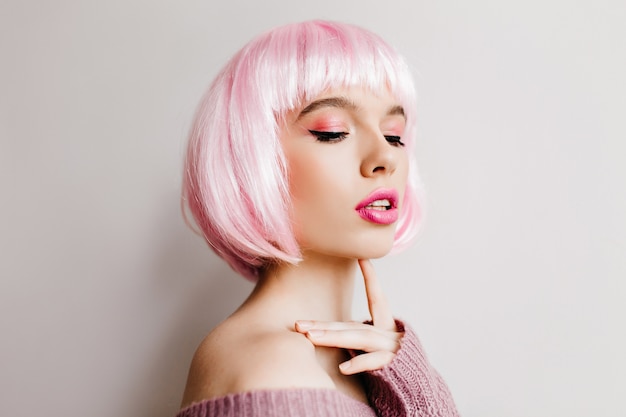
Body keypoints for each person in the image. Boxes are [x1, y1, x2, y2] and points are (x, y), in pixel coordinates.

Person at [177, 20, 459, 417]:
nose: (386, 157)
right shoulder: (273, 365)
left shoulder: (366, 366)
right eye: (333, 132)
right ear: (254, 160)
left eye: (394, 135)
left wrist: (413, 384)